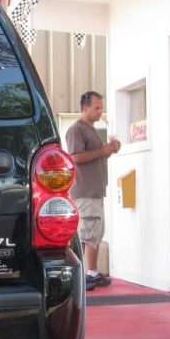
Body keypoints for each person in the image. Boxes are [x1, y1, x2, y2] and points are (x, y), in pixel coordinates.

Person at [66, 91, 121, 290]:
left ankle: (93, 272)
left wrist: (110, 150)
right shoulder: (76, 129)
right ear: (85, 108)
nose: (100, 112)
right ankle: (87, 274)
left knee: (96, 232)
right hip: (85, 190)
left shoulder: (92, 129)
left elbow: (96, 156)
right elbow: (75, 157)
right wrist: (103, 151)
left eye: (101, 108)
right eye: (97, 108)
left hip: (96, 189)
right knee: (88, 232)